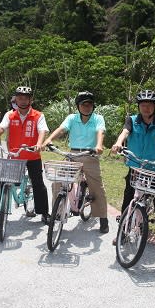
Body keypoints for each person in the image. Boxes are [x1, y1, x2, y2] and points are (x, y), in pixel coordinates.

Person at [110, 89, 155, 248]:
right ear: (139, 106)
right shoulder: (131, 120)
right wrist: (119, 143)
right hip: (135, 167)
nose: (146, 108)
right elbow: (124, 133)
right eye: (143, 105)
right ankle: (123, 232)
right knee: (128, 199)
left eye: (150, 105)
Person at [42, 91, 109, 233]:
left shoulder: (98, 118)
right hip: (72, 154)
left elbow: (100, 132)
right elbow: (61, 129)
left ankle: (103, 218)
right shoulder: (72, 118)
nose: (87, 107)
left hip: (90, 155)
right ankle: (58, 212)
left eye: (90, 104)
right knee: (58, 181)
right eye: (84, 104)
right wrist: (49, 139)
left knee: (97, 187)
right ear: (78, 106)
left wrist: (99, 145)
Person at [0, 86, 50, 224]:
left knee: (38, 184)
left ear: (30, 99)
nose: (23, 100)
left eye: (26, 98)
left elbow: (43, 130)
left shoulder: (38, 115)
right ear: (16, 99)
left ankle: (44, 213)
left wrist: (39, 144)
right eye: (20, 98)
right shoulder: (10, 115)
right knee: (2, 182)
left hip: (32, 156)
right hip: (14, 156)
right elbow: (1, 128)